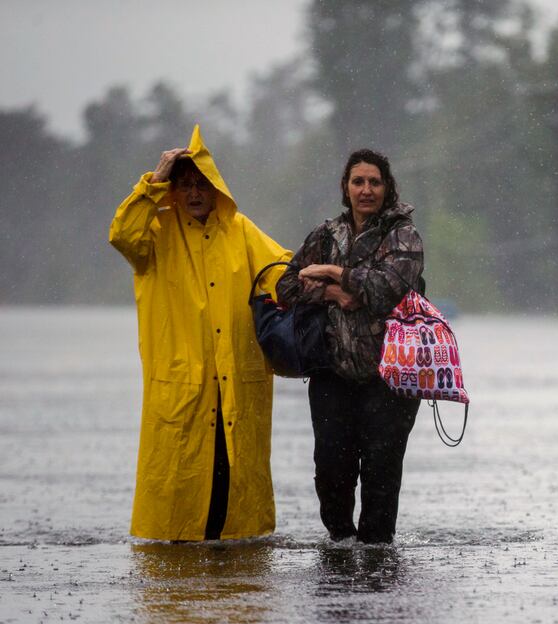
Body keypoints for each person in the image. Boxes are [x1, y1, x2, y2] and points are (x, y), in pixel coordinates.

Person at [109, 125, 291, 541]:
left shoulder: (240, 231)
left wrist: (326, 282)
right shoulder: (155, 235)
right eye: (185, 184)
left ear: (216, 189)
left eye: (201, 184)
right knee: (179, 503)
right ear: (173, 190)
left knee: (234, 501)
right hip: (181, 390)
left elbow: (281, 270)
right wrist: (155, 179)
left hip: (235, 389)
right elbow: (122, 235)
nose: (194, 193)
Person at [276, 149, 424, 545]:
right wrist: (333, 294)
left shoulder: (403, 235)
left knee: (381, 471)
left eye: (374, 182)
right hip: (332, 374)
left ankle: (377, 557)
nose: (366, 190)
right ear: (346, 187)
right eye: (358, 182)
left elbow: (386, 288)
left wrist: (332, 272)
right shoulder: (325, 235)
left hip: (390, 377)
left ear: (387, 187)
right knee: (331, 471)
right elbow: (286, 287)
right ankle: (340, 545)